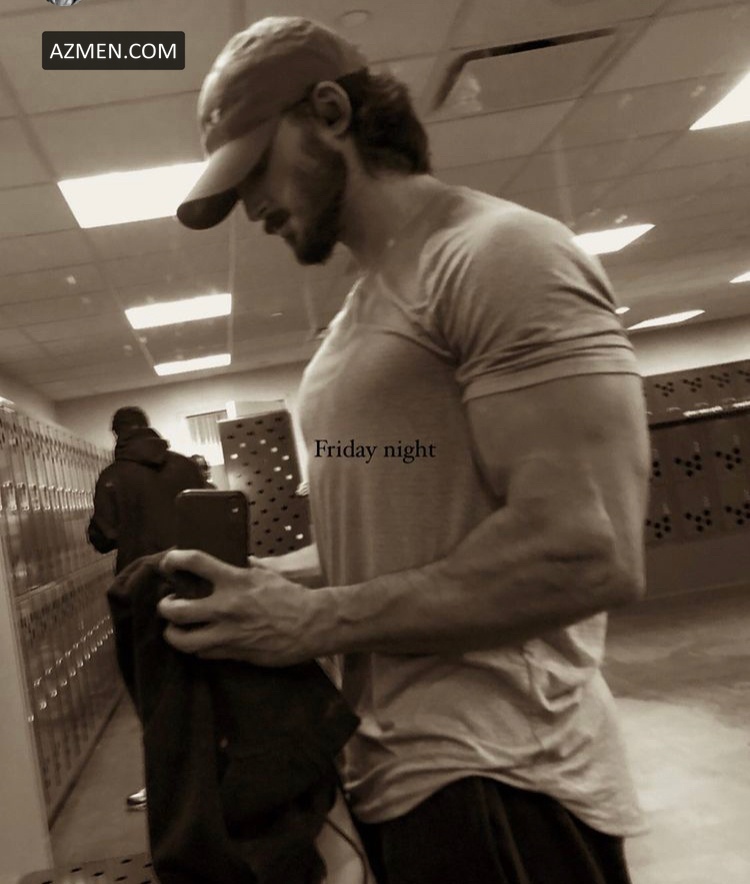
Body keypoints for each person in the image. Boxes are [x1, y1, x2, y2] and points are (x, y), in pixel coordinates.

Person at [163, 16, 651, 883]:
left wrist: (313, 622)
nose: (249, 206)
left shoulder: (500, 254)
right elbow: (406, 532)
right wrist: (271, 587)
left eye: (255, 167)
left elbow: (587, 551)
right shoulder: (352, 325)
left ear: (331, 113)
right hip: (396, 777)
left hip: (503, 777)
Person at [88, 405, 205, 811]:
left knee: (154, 691)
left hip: (143, 592)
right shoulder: (186, 467)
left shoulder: (113, 477)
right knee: (204, 678)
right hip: (194, 582)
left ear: (117, 433)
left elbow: (103, 537)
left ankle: (167, 784)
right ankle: (219, 771)